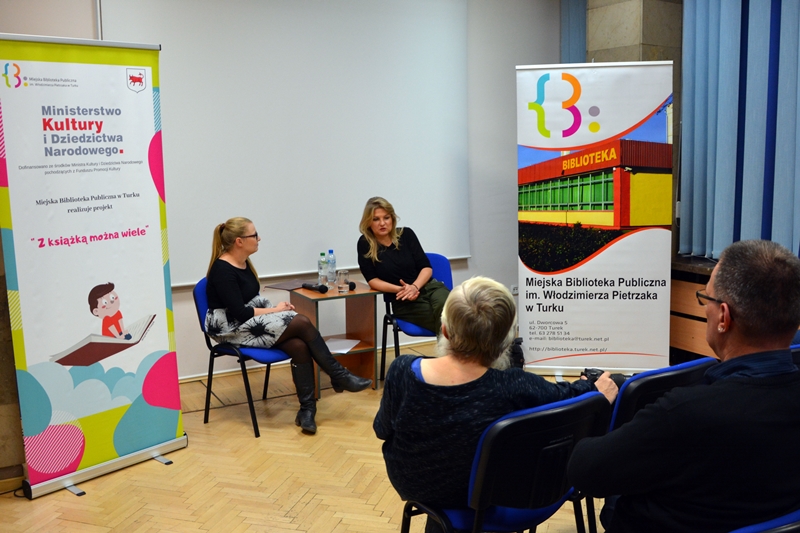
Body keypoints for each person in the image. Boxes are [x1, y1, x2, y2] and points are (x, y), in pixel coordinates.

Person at [568, 239, 800, 533]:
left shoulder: (685, 413)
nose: (705, 309)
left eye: (706, 298)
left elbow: (585, 471)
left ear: (724, 317)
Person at [374, 276, 618, 532]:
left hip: (415, 484)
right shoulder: (513, 385)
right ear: (506, 341)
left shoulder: (402, 370)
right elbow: (566, 395)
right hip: (491, 496)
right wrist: (593, 388)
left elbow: (382, 430)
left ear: (444, 330)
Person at [205, 217, 372, 435]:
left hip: (247, 323)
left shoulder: (244, 263)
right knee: (301, 322)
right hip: (230, 329)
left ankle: (307, 410)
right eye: (254, 235)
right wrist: (276, 310)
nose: (259, 238)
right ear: (239, 241)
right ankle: (338, 374)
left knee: (299, 346)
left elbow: (250, 301)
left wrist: (276, 310)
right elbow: (240, 313)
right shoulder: (223, 270)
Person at [357, 196, 450, 334]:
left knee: (452, 313)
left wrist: (414, 287)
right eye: (376, 219)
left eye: (386, 218)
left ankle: (454, 347)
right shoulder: (365, 243)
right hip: (402, 299)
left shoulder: (406, 234)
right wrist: (402, 290)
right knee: (449, 321)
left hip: (430, 288)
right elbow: (372, 280)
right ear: (368, 222)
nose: (382, 223)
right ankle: (457, 347)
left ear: (392, 218)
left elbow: (426, 268)